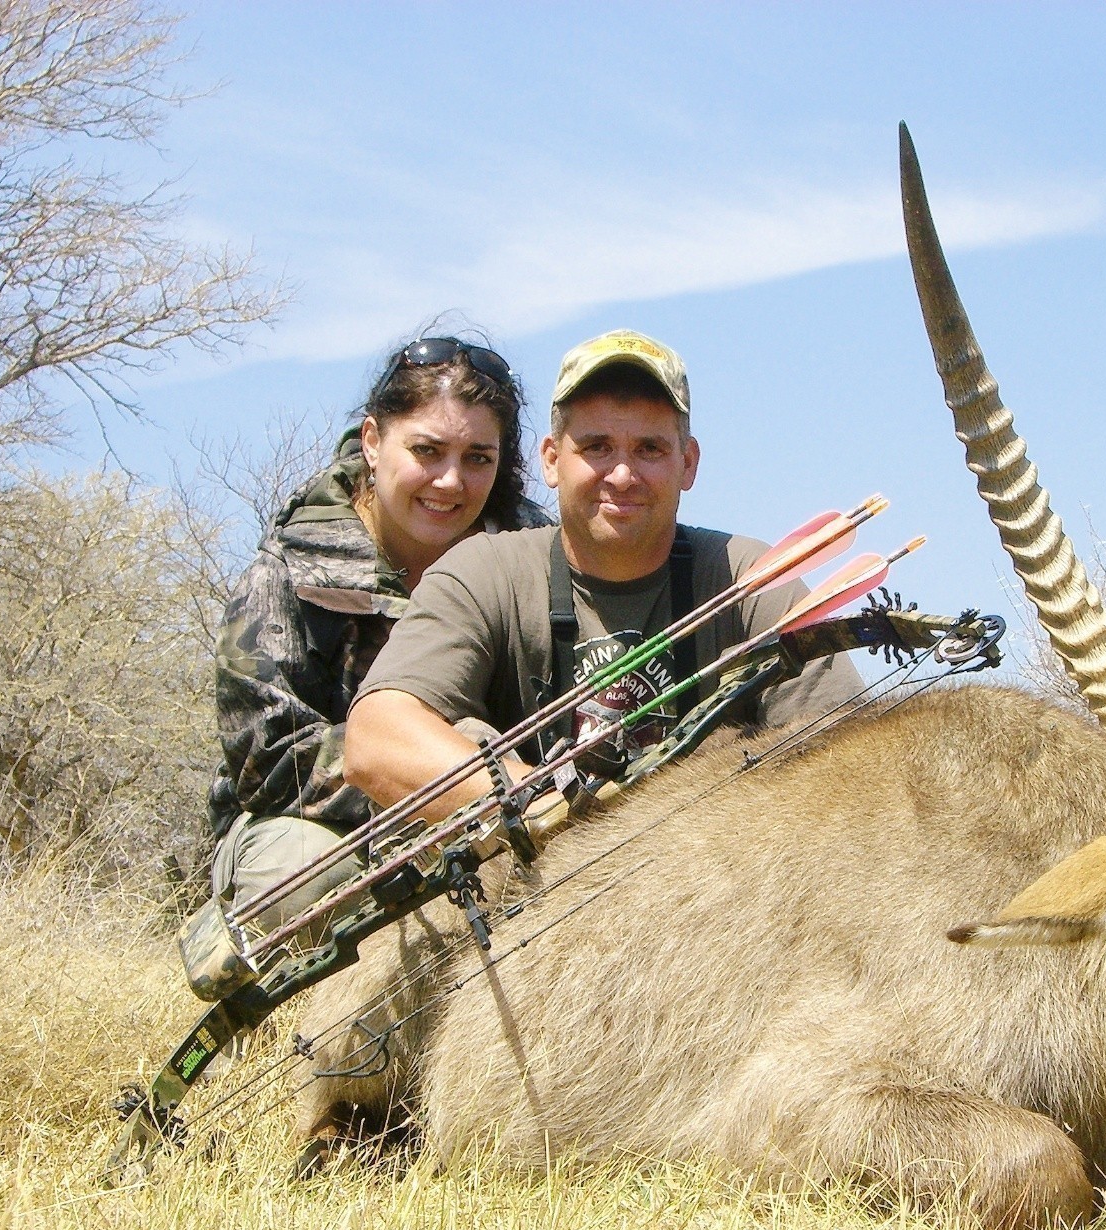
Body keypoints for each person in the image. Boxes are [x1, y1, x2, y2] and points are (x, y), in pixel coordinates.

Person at [343, 329, 864, 820]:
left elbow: (854, 759)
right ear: (551, 460)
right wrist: (551, 808)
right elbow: (376, 742)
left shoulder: (754, 581)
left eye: (649, 449)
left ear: (688, 462)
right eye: (596, 447)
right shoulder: (483, 572)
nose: (621, 474)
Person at [198, 337, 553, 970]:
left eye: (478, 457)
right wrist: (427, 768)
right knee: (302, 879)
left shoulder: (534, 557)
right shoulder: (284, 571)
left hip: (499, 807)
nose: (450, 481)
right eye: (427, 451)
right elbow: (267, 763)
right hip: (317, 828)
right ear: (371, 441)